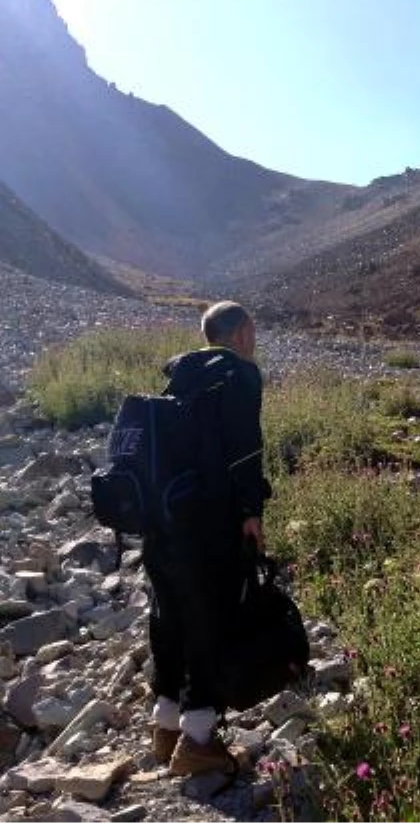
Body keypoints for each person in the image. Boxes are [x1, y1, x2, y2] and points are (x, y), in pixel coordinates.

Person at [147, 300, 271, 776]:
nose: (254, 340)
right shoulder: (239, 374)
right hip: (209, 518)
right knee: (210, 614)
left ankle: (166, 727)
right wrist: (250, 511)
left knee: (170, 612)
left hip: (165, 518)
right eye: (252, 330)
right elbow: (244, 450)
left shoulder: (184, 376)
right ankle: (199, 739)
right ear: (239, 333)